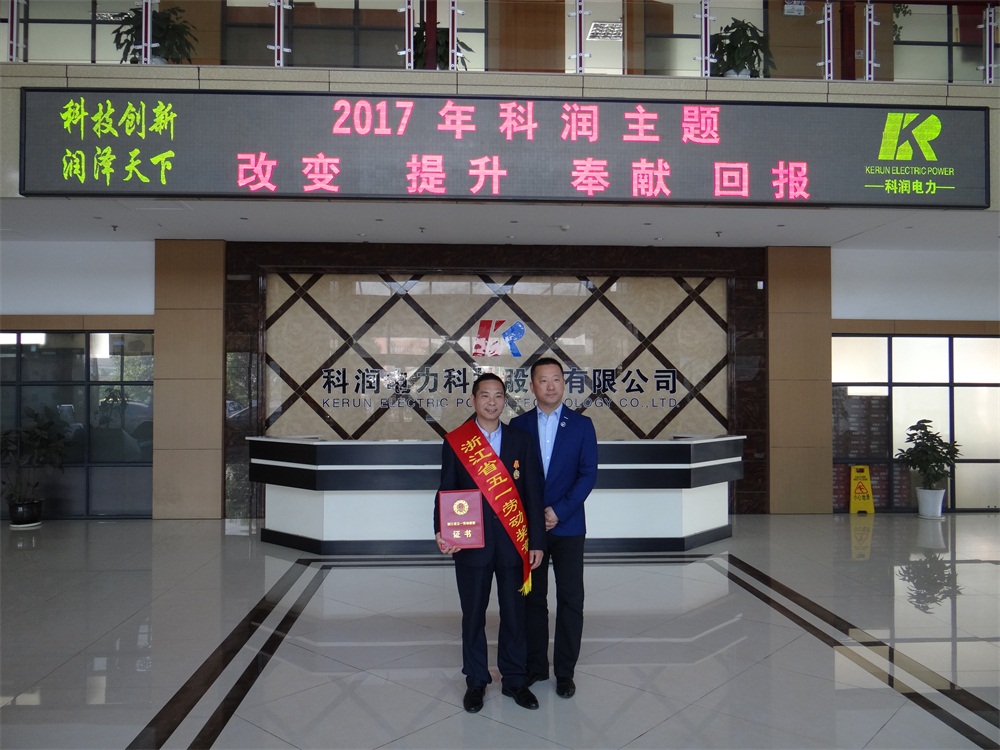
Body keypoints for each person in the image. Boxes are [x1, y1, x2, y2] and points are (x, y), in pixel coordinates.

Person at [434, 372, 546, 713]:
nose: (492, 402)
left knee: (514, 614)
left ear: (504, 401)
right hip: (472, 544)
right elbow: (447, 489)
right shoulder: (458, 441)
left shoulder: (521, 440)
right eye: (485, 395)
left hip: (514, 543)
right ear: (473, 400)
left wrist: (536, 541)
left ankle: (514, 679)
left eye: (498, 395)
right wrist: (442, 530)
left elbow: (533, 493)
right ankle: (476, 680)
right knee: (473, 616)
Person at [510, 357, 598, 699]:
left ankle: (565, 672)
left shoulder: (582, 425)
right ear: (532, 386)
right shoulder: (518, 425)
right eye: (543, 380)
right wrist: (535, 515)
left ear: (565, 384)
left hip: (569, 525)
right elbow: (513, 478)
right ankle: (536, 666)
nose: (550, 386)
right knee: (533, 598)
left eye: (556, 379)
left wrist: (559, 511)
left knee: (571, 598)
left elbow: (588, 474)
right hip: (530, 528)